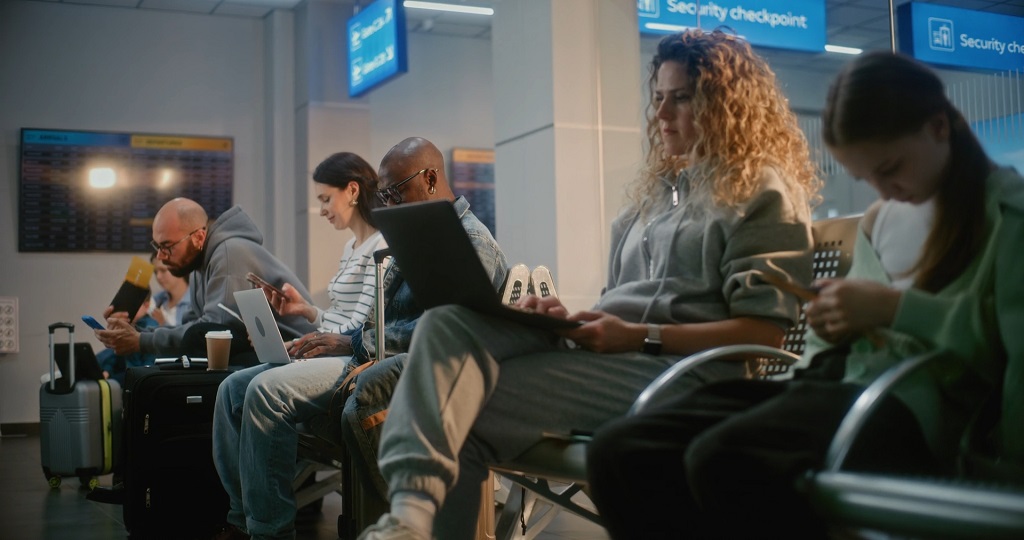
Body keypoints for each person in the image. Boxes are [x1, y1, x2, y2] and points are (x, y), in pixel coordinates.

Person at [359, 29, 820, 540]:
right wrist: (569, 317)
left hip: (685, 373)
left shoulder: (761, 192)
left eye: (682, 98)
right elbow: (619, 306)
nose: (662, 115)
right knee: (450, 322)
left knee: (457, 416)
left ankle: (408, 523)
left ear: (726, 106)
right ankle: (409, 519)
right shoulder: (651, 200)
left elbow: (765, 335)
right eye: (659, 98)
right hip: (620, 357)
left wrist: (638, 335)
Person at [584, 51, 1024, 539]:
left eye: (891, 167)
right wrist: (834, 321)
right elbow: (839, 343)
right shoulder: (889, 215)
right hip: (831, 382)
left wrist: (895, 310)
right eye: (867, 179)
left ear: (939, 127)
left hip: (908, 406)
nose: (885, 189)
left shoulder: (1008, 218)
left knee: (729, 458)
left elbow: (1006, 358)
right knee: (621, 449)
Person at [211, 140, 507, 540]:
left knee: (266, 392)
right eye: (382, 194)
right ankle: (241, 520)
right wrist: (342, 338)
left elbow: (446, 332)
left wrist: (351, 343)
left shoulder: (471, 242)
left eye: (394, 191)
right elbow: (380, 321)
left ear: (432, 178)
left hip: (390, 366)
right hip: (370, 355)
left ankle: (269, 533)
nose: (386, 203)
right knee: (232, 388)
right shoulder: (419, 236)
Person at [95, 198, 317, 359]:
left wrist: (141, 342)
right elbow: (190, 325)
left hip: (300, 354)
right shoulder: (200, 265)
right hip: (267, 352)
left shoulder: (230, 254)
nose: (161, 257)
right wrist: (138, 332)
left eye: (167, 247)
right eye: (157, 247)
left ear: (199, 237)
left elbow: (211, 332)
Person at [96, 288, 159, 385]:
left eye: (132, 303)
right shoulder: (129, 324)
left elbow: (149, 365)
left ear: (146, 306)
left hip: (140, 378)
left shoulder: (151, 326)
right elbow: (115, 355)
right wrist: (107, 370)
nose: (126, 308)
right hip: (128, 372)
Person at [149, 252, 192, 327]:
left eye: (163, 270)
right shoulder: (158, 299)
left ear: (178, 268)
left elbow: (188, 334)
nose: (158, 277)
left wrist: (163, 323)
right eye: (155, 272)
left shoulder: (195, 302)